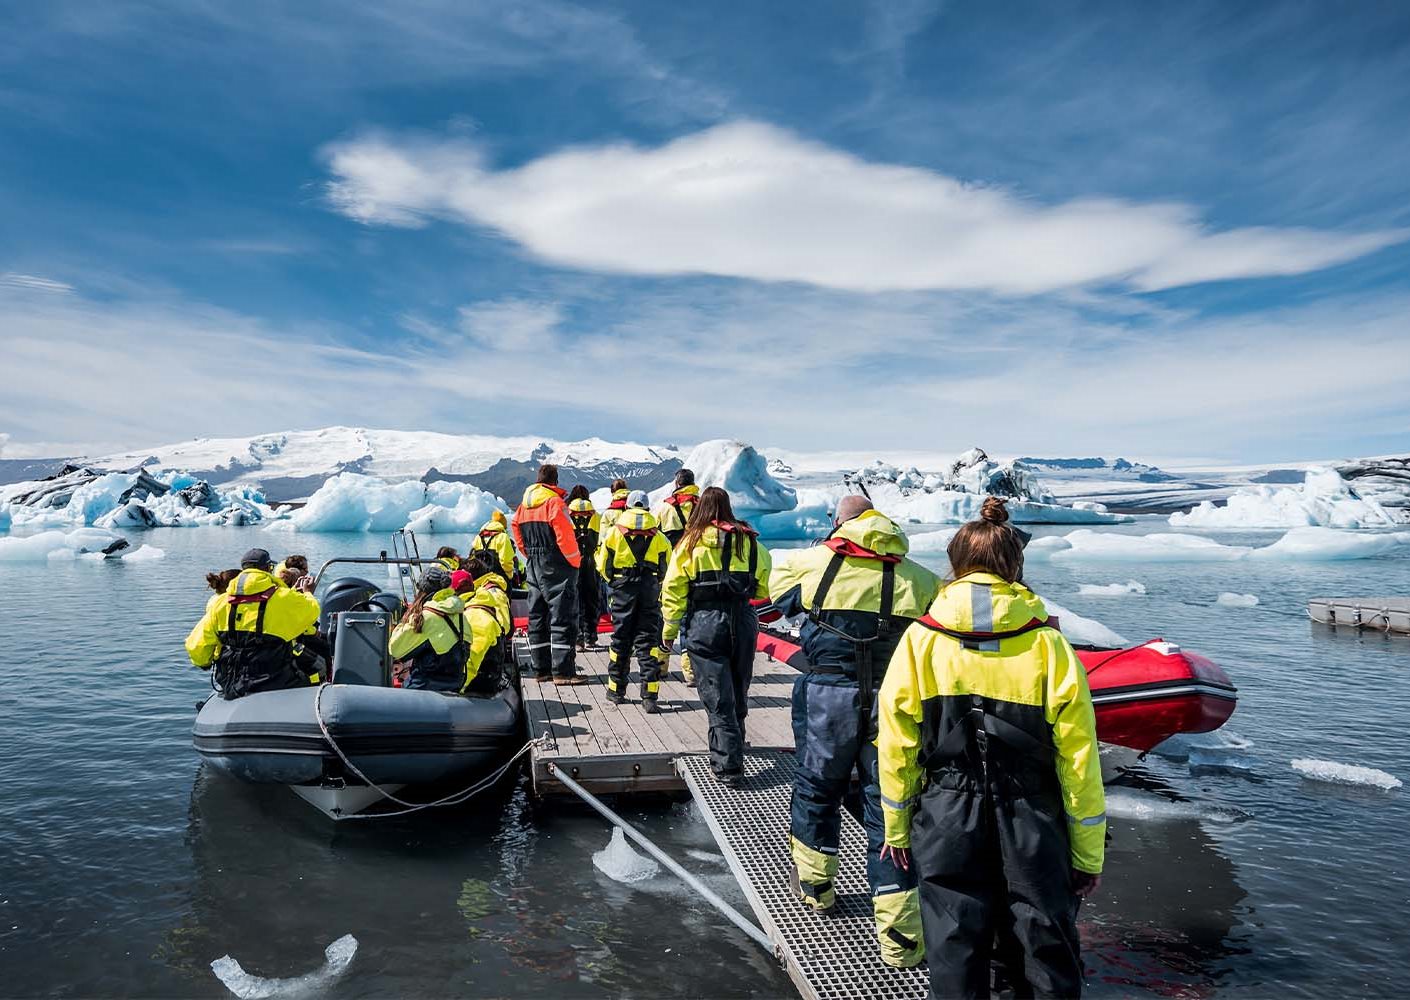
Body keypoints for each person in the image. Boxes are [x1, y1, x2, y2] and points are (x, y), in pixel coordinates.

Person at [877, 497, 1106, 998]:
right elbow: (1079, 758)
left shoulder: (920, 641)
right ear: (1014, 566)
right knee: (1044, 945)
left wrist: (896, 829)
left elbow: (896, 746)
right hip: (1032, 815)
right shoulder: (1050, 646)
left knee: (955, 944)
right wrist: (1087, 855)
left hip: (946, 811)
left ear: (955, 564)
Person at [768, 496, 941, 968]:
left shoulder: (811, 562)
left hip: (827, 697)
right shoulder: (921, 578)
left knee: (815, 791)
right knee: (890, 808)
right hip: (894, 705)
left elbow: (778, 599)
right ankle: (901, 940)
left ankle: (816, 889)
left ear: (840, 524)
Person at [661, 486, 771, 783]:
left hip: (705, 622)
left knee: (717, 695)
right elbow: (763, 585)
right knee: (738, 687)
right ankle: (736, 748)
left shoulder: (689, 543)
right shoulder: (750, 542)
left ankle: (728, 767)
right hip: (742, 619)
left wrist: (669, 631)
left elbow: (673, 589)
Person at [186, 548, 322, 698]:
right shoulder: (284, 597)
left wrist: (204, 663)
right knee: (316, 673)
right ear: (268, 569)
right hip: (276, 680)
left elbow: (195, 646)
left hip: (231, 682)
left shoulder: (221, 602)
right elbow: (312, 612)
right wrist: (308, 593)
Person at [596, 490, 671, 712]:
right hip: (648, 591)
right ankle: (650, 696)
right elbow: (666, 567)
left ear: (627, 508)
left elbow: (603, 565)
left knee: (620, 640)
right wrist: (654, 583)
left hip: (622, 590)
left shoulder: (613, 533)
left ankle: (616, 691)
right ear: (647, 509)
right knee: (648, 643)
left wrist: (615, 582)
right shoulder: (659, 537)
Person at [512, 464, 586, 684]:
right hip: (557, 564)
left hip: (534, 564)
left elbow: (516, 531)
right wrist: (575, 562)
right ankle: (563, 671)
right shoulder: (554, 503)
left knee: (537, 616)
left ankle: (541, 670)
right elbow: (565, 536)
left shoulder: (522, 507)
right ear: (555, 481)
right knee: (562, 615)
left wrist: (529, 554)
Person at [389, 567, 471, 691]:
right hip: (455, 684)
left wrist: (404, 620)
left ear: (422, 591)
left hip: (424, 686)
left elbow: (394, 649)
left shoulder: (427, 617)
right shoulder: (460, 615)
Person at [450, 564, 509, 696]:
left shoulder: (476, 616)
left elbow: (472, 658)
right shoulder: (470, 608)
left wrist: (455, 689)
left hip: (478, 685)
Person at [567, 485, 602, 650]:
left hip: (573, 562)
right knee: (591, 599)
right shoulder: (596, 515)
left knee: (574, 600)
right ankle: (591, 637)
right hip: (591, 561)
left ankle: (578, 639)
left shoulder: (567, 514)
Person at [473, 510, 523, 587]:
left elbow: (474, 558)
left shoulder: (479, 537)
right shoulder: (503, 537)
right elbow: (505, 561)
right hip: (498, 579)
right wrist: (509, 577)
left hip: (480, 580)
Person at [654, 468, 700, 547]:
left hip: (673, 555)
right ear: (693, 484)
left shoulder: (666, 506)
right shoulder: (702, 505)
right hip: (695, 554)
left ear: (677, 484)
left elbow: (656, 531)